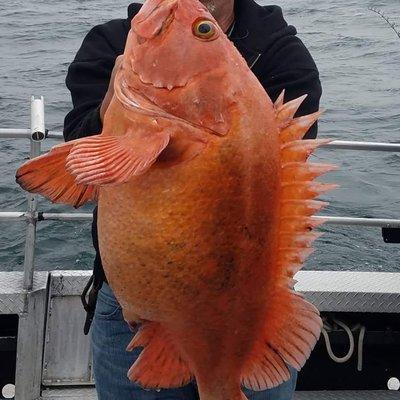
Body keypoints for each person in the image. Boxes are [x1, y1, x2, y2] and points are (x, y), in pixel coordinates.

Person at [64, 0, 322, 398]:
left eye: (202, 30)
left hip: (245, 304)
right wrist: (113, 104)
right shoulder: (111, 41)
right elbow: (75, 157)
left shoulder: (282, 52)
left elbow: (280, 176)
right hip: (132, 308)